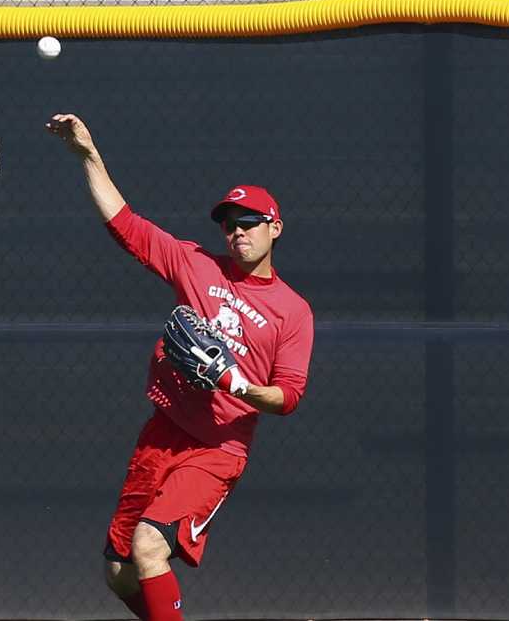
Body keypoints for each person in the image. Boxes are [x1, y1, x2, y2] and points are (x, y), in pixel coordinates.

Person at [47, 114, 315, 620]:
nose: (236, 233)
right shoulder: (197, 265)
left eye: (248, 224)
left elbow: (289, 397)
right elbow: (125, 224)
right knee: (119, 572)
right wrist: (87, 153)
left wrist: (234, 382)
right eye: (228, 225)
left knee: (150, 545)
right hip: (162, 432)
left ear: (275, 228)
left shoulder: (292, 310)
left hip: (218, 447)